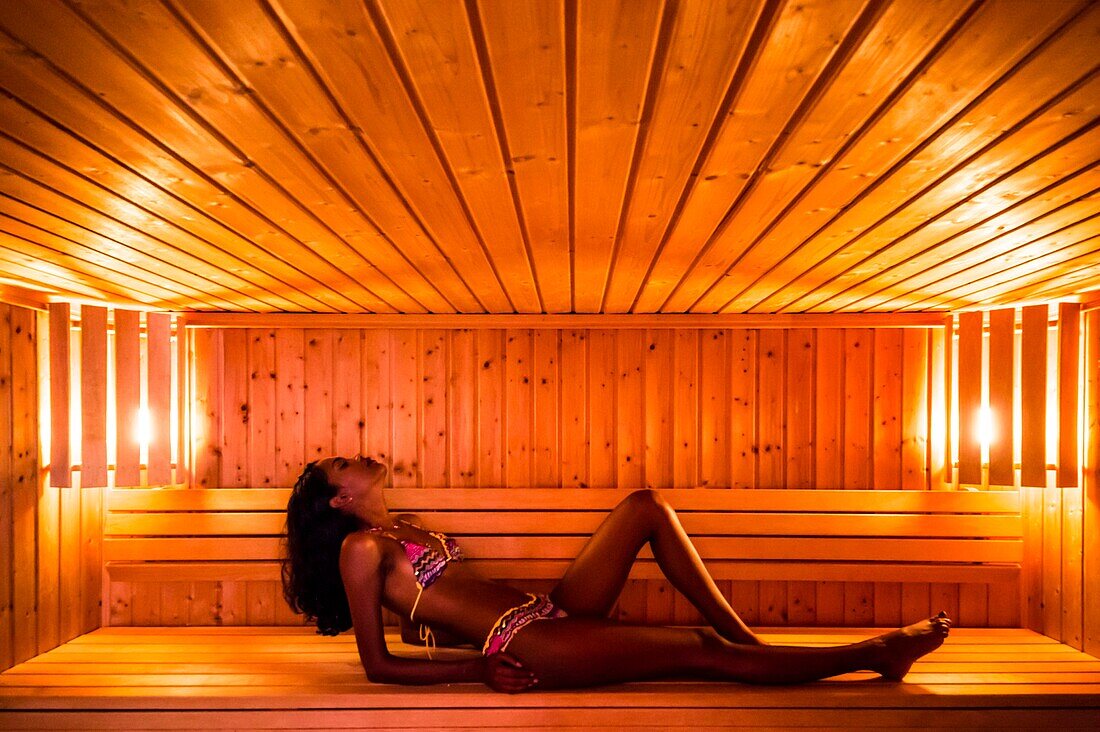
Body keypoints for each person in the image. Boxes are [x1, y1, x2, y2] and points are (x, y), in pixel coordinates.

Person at [282, 454, 951, 692]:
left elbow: (442, 608)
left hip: (543, 609)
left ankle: (755, 643)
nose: (357, 457)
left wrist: (450, 632)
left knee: (646, 507)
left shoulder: (405, 528)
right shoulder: (360, 550)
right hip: (529, 645)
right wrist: (478, 667)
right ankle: (877, 653)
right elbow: (379, 664)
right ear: (339, 499)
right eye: (343, 464)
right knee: (698, 651)